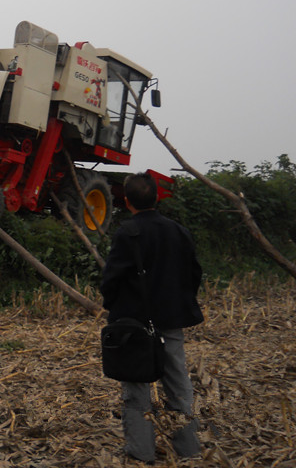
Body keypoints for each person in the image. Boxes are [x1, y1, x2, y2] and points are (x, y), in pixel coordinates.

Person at [100, 172, 204, 463]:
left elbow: (111, 280)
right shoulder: (178, 231)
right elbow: (194, 272)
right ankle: (188, 448)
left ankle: (141, 451)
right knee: (178, 382)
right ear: (157, 197)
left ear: (127, 201)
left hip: (133, 325)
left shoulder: (127, 233)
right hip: (170, 320)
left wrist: (113, 308)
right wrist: (180, 302)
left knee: (136, 389)